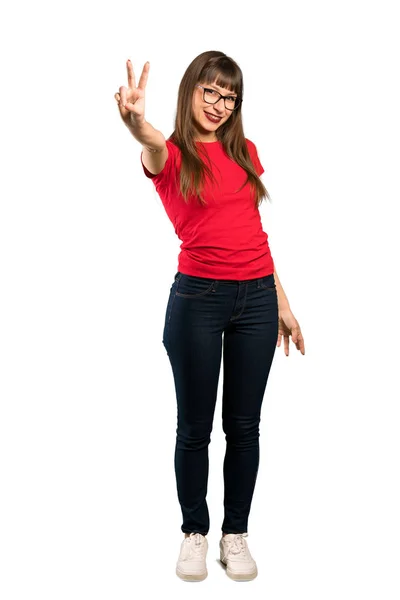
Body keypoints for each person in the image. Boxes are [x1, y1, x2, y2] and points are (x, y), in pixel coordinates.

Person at [114, 50, 305, 582]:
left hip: (258, 300)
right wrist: (135, 122)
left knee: (244, 427)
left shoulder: (244, 150)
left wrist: (282, 302)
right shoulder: (170, 154)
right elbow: (150, 143)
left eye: (230, 96)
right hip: (197, 300)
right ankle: (194, 533)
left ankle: (234, 535)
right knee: (194, 428)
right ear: (191, 90)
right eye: (210, 91)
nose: (220, 104)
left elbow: (254, 233)